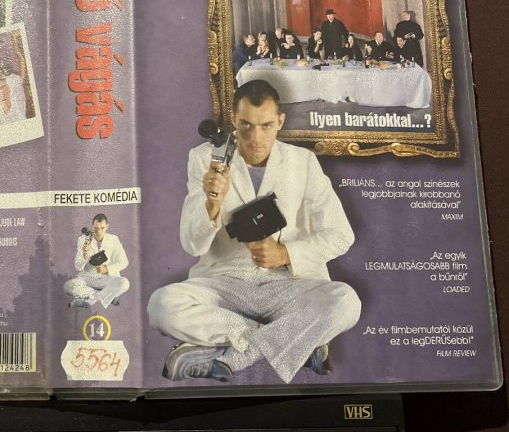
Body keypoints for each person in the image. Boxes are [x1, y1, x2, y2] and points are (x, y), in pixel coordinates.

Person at [148, 79, 360, 384]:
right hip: (224, 285)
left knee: (346, 302)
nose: (255, 137)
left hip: (288, 285)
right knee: (161, 306)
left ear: (280, 122)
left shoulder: (303, 162)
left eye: (266, 126)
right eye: (246, 125)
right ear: (234, 120)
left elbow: (341, 235)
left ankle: (233, 357)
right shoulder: (204, 158)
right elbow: (192, 245)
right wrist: (211, 203)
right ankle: (300, 342)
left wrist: (285, 254)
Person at [65, 213, 129, 309]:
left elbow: (124, 261)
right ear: (92, 225)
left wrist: (106, 269)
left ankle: (89, 300)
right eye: (96, 228)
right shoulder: (83, 239)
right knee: (68, 286)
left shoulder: (113, 239)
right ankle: (110, 295)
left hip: (107, 279)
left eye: (102, 228)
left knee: (124, 283)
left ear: (107, 226)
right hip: (88, 279)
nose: (99, 231)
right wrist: (84, 253)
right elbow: (77, 266)